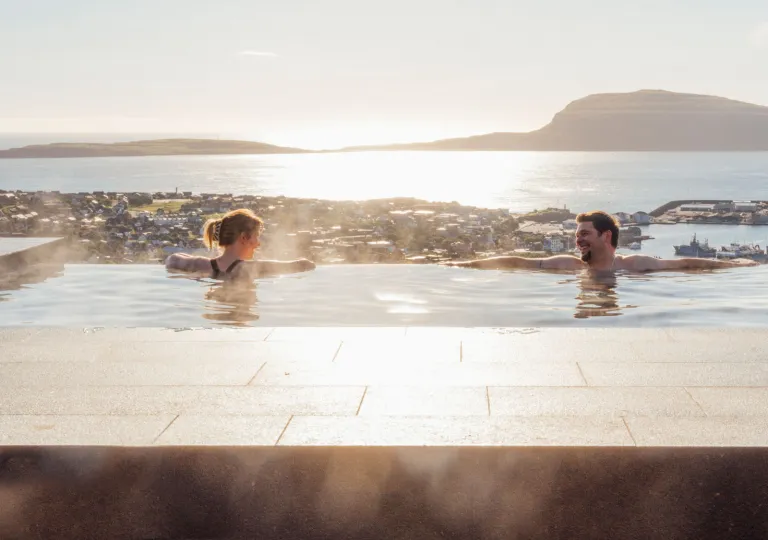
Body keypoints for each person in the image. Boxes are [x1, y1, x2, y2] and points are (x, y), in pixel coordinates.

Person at [444, 210, 759, 271]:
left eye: (584, 233)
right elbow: (514, 261)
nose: (577, 239)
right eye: (577, 233)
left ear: (605, 236)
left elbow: (688, 263)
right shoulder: (567, 265)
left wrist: (736, 264)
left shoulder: (634, 265)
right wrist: (462, 264)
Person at [165, 208, 315, 279]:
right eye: (256, 237)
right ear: (244, 238)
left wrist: (199, 265)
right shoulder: (248, 268)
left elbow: (172, 259)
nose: (258, 244)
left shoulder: (203, 265)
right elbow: (303, 265)